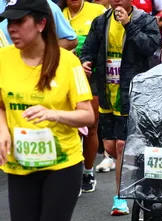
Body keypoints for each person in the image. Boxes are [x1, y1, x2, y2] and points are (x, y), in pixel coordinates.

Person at [0, 0, 94, 221]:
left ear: (41, 24)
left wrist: (55, 114)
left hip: (62, 165)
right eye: (7, 22)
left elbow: (88, 116)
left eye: (19, 21)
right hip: (20, 165)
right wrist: (2, 129)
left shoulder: (67, 63)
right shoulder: (3, 58)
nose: (11, 28)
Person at [80, 0, 161, 215]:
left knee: (121, 146)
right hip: (107, 93)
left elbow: (150, 48)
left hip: (132, 93)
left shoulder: (145, 20)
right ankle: (133, 171)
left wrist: (128, 25)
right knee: (109, 147)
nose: (116, 0)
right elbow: (88, 49)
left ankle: (120, 198)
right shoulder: (101, 22)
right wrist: (85, 62)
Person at [60, 0, 106, 193]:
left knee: (91, 124)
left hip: (92, 73)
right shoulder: (57, 13)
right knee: (70, 126)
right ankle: (71, 173)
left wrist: (88, 61)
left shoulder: (97, 11)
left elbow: (106, 41)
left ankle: (88, 172)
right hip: (65, 75)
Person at [0, 0, 78, 49]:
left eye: (20, 21)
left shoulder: (46, 6)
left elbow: (71, 40)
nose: (11, 28)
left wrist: (39, 52)